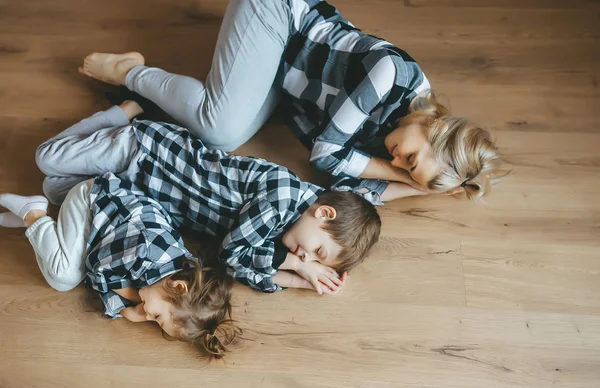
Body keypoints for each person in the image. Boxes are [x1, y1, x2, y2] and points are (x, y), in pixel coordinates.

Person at [77, 0, 504, 206]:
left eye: (406, 168)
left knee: (221, 140)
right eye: (410, 158)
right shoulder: (391, 74)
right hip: (277, 16)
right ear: (433, 126)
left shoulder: (404, 132)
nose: (397, 161)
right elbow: (328, 154)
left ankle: (213, 77)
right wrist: (407, 179)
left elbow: (350, 189)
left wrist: (412, 186)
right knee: (218, 127)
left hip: (285, 74)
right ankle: (129, 71)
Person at [35, 101, 382, 295]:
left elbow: (242, 268)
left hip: (138, 187)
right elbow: (231, 254)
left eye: (316, 260)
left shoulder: (286, 234)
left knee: (54, 189)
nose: (306, 256)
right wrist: (296, 265)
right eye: (318, 251)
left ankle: (90, 155)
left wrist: (298, 277)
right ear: (323, 213)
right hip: (145, 152)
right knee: (46, 158)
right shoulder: (282, 195)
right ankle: (120, 113)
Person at [0, 172, 239, 360]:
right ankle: (34, 214)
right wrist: (134, 303)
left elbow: (116, 283)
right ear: (178, 288)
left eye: (153, 321)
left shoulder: (176, 274)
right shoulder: (147, 252)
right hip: (92, 199)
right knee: (63, 277)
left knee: (65, 272)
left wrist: (139, 308)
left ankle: (34, 224)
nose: (147, 315)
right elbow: (97, 268)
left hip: (105, 228)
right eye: (156, 316)